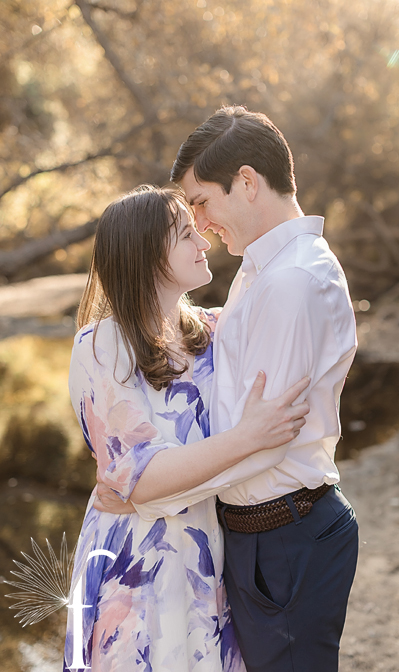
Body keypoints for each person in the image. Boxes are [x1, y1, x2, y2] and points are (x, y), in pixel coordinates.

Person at [96, 106, 359, 672]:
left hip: (285, 532)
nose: (202, 223)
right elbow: (234, 407)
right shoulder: (260, 268)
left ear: (245, 182)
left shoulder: (291, 280)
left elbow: (265, 439)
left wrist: (145, 494)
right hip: (255, 532)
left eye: (201, 202)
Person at [65, 186, 311, 671]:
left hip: (206, 551)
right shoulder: (101, 347)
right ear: (145, 256)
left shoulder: (214, 330)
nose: (204, 241)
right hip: (133, 566)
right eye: (185, 235)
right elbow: (143, 478)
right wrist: (246, 439)